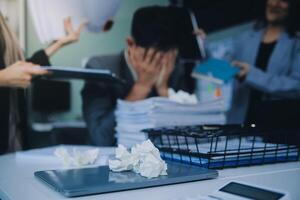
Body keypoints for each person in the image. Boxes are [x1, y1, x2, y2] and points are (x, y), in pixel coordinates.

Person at [81, 6, 192, 146]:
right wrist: (141, 88)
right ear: (131, 44)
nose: (161, 62)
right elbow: (100, 137)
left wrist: (164, 91)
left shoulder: (174, 67)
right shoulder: (99, 66)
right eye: (152, 55)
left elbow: (185, 135)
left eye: (167, 53)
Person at [199, 0, 300, 124]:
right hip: (240, 123)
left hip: (278, 125)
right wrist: (202, 46)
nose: (275, 4)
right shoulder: (244, 39)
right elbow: (219, 69)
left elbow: (296, 87)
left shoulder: (296, 43)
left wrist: (251, 75)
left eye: (283, 1)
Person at [0, 12, 86, 154]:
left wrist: (59, 43)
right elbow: (7, 73)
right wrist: (3, 78)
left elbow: (20, 68)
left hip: (12, 141)